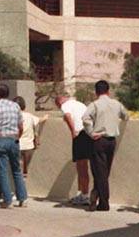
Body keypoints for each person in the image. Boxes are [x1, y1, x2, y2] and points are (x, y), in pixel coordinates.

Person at [81, 80, 129, 212]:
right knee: (104, 171)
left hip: (99, 139)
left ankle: (102, 200)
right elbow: (126, 116)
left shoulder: (95, 104)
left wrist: (91, 133)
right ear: (108, 91)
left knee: (99, 171)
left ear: (96, 92)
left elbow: (85, 118)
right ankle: (97, 196)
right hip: (111, 140)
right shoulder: (117, 104)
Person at [55, 91, 93, 206]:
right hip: (88, 133)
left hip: (80, 134)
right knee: (83, 165)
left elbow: (67, 116)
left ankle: (85, 195)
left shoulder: (65, 105)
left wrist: (73, 131)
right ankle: (81, 194)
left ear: (59, 101)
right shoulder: (79, 104)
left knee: (81, 166)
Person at [15, 95, 44, 176]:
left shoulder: (14, 116)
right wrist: (45, 117)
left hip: (17, 145)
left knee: (18, 168)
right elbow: (39, 120)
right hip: (28, 146)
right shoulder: (29, 116)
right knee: (26, 168)